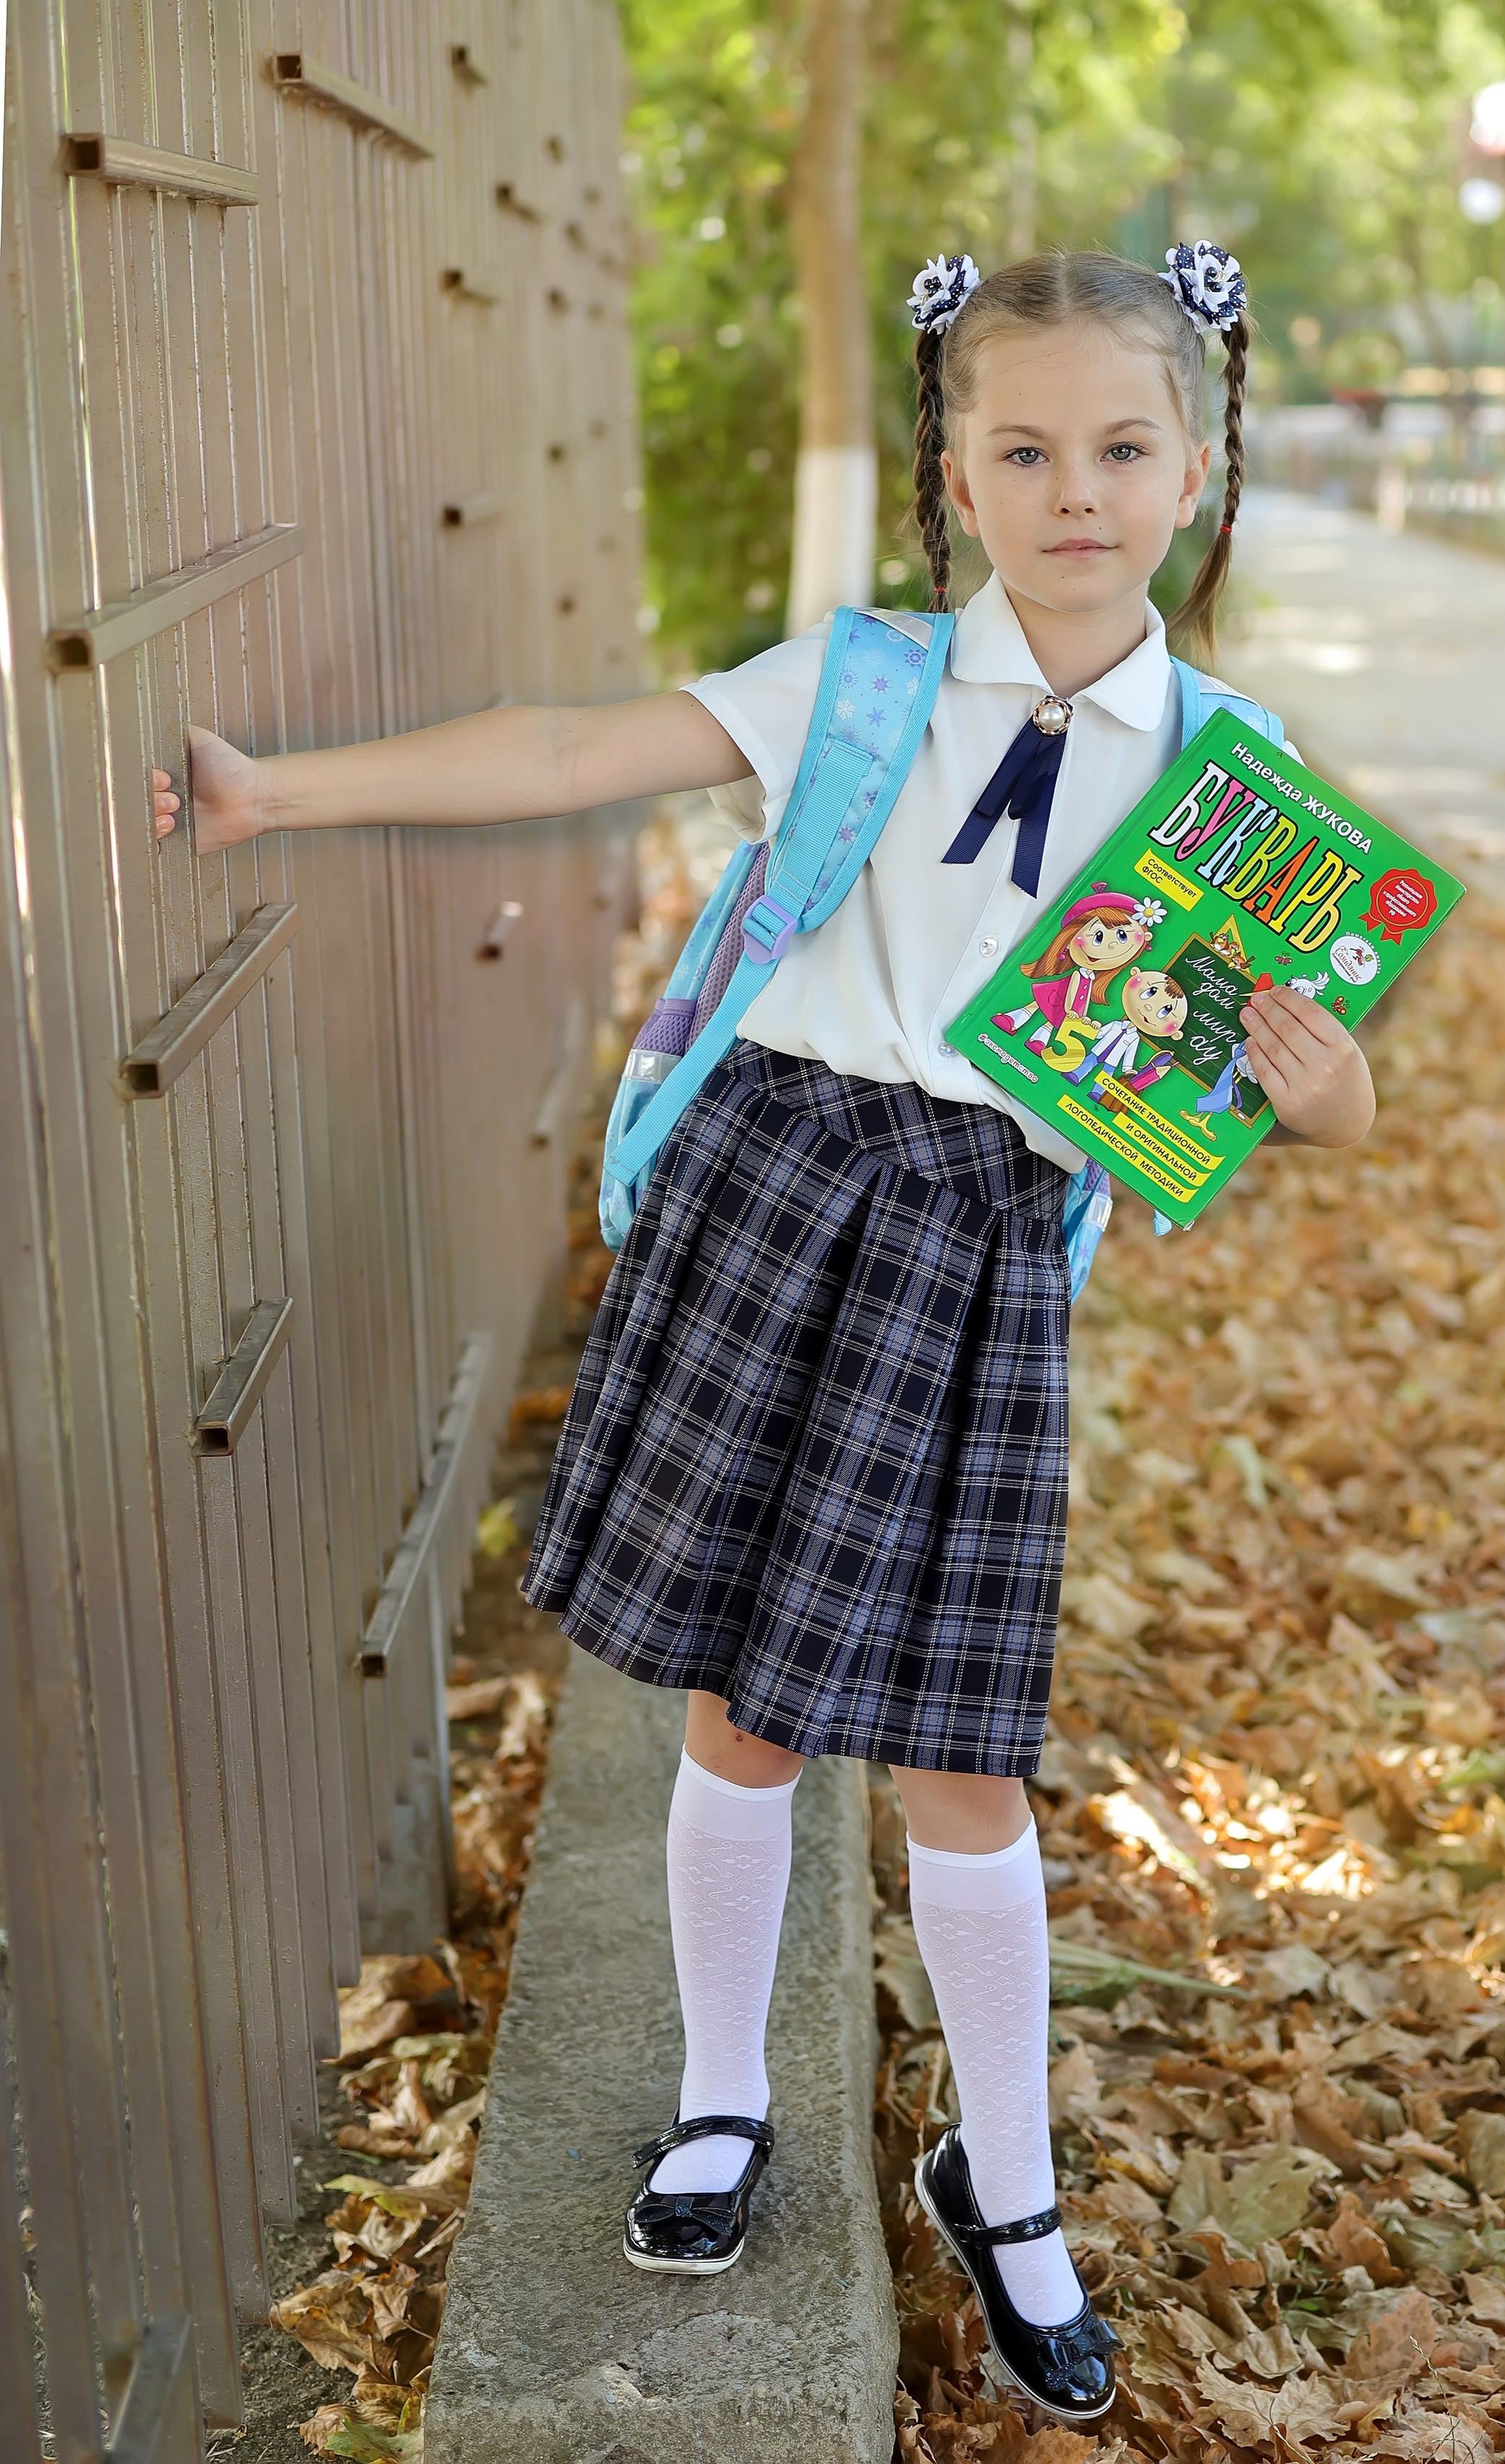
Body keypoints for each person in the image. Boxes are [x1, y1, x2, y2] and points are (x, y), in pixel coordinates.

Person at [152, 243, 1375, 2425]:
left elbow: (1282, 1092)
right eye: (1023, 448)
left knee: (964, 1747)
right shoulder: (868, 685)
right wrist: (279, 791)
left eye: (1120, 447)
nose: (1074, 491)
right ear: (955, 472)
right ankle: (724, 2098)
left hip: (980, 1255)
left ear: (1194, 471)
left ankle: (1008, 2185)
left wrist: (1327, 1088)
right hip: (782, 1195)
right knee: (739, 1707)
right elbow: (569, 743)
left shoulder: (1236, 779)